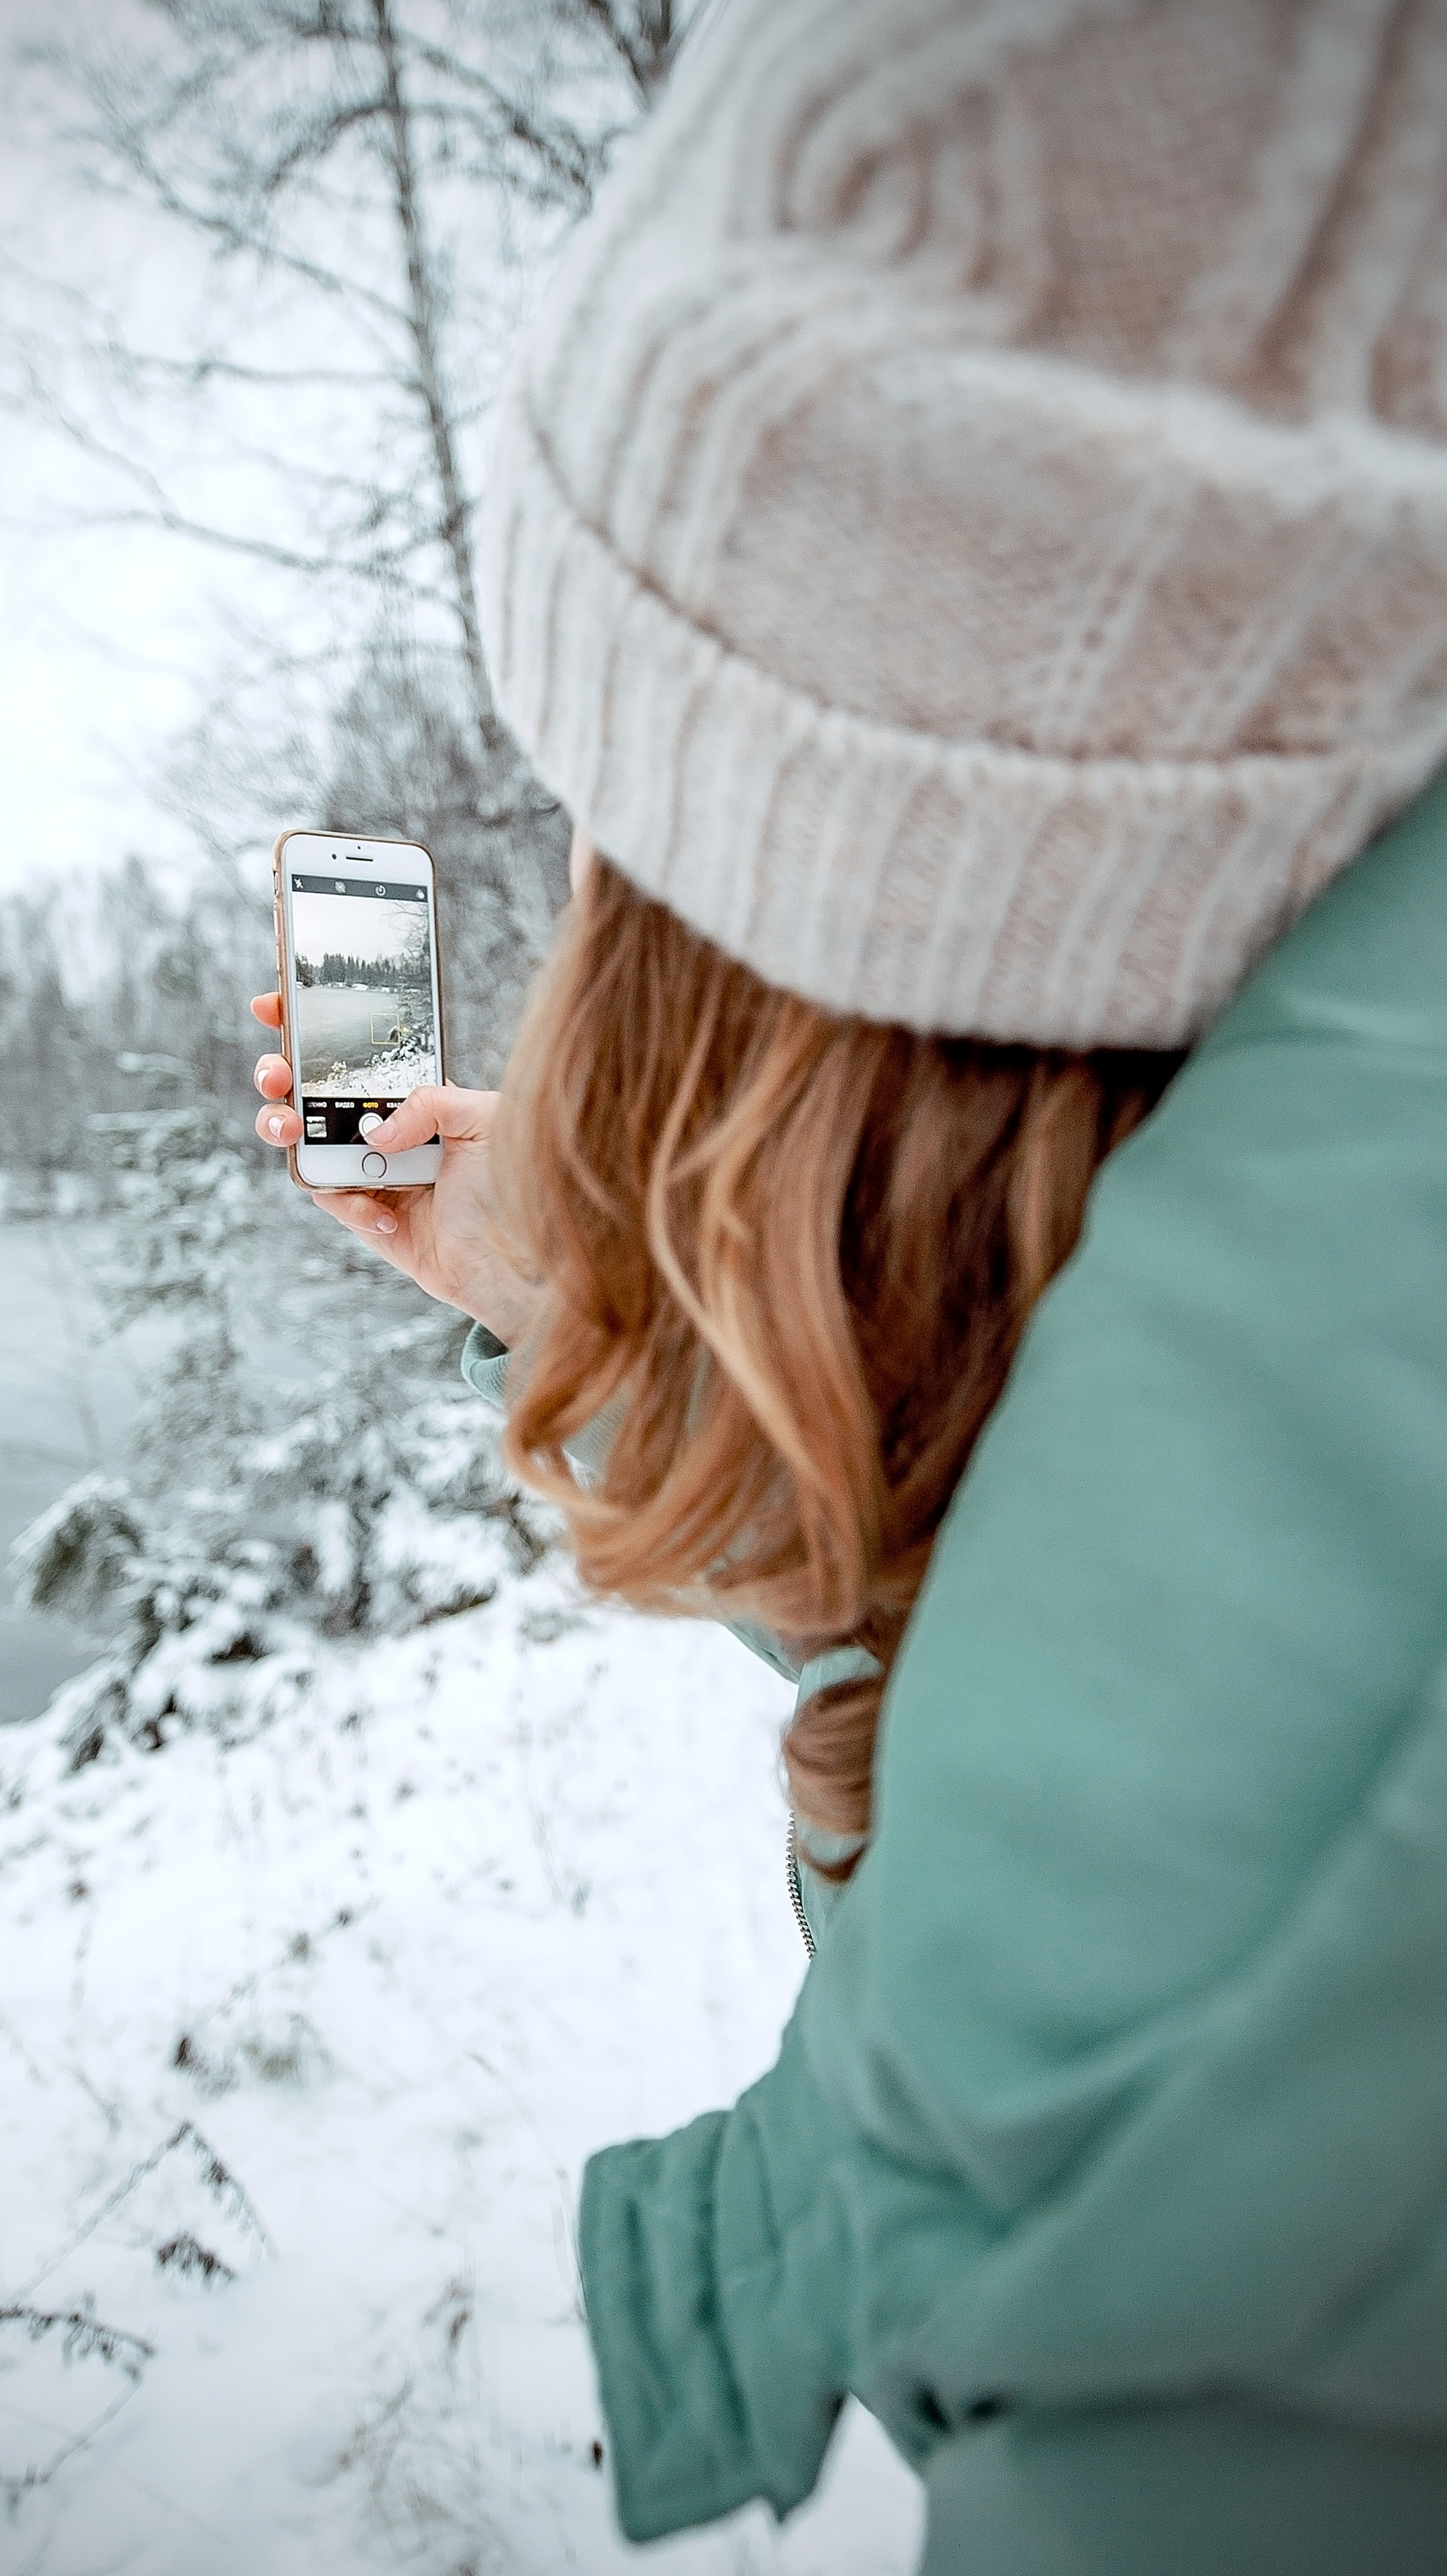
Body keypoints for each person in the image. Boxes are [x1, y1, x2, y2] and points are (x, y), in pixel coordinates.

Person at [251, 1, 1447, 2565]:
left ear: (767, 994)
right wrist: (608, 1279)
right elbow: (1100, 1541)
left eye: (611, 831)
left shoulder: (1212, 2313)